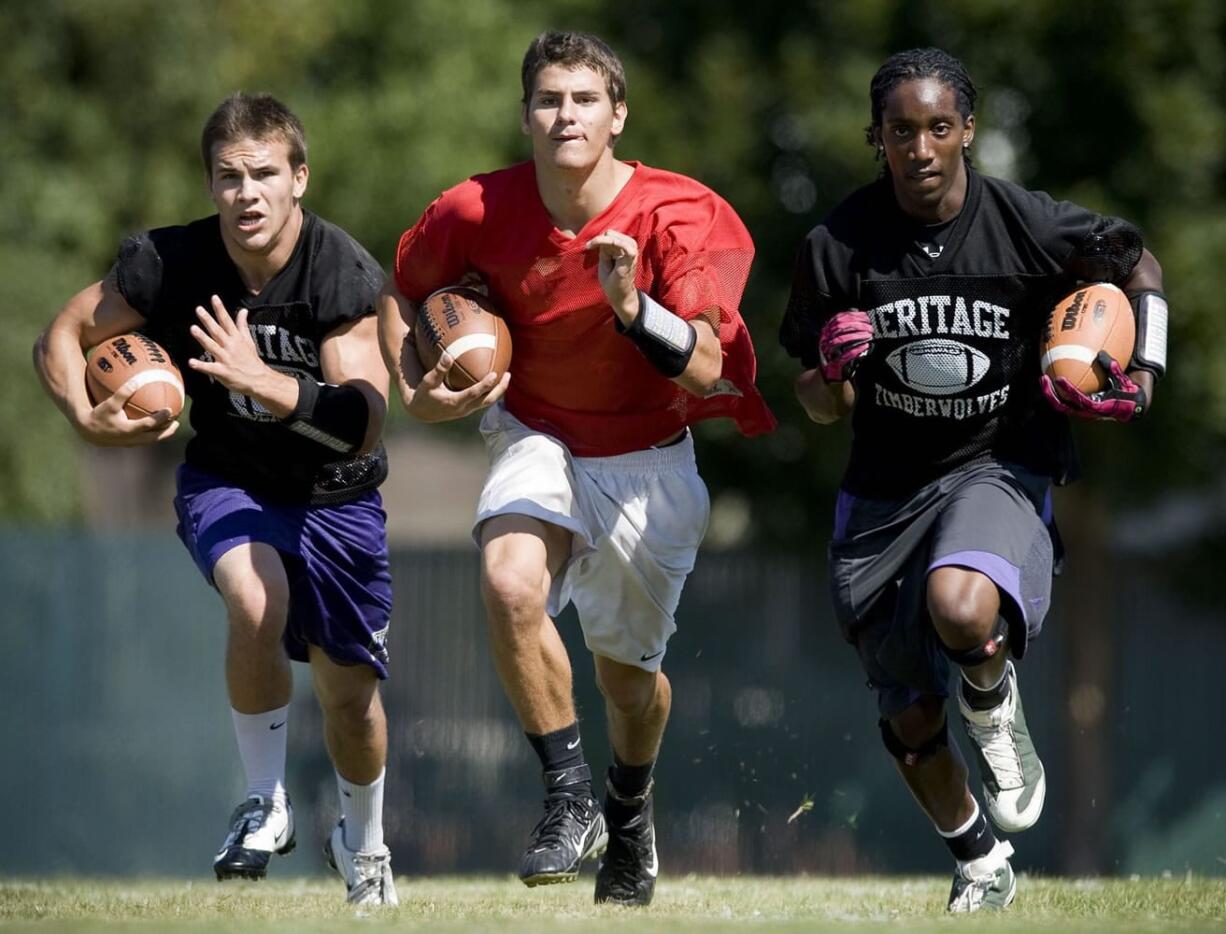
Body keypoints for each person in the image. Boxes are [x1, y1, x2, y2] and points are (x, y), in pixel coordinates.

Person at [379, 31, 774, 906]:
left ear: (617, 114)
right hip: (538, 434)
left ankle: (628, 813)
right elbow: (402, 289)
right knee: (509, 579)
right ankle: (567, 793)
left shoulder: (680, 212)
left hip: (649, 461)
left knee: (629, 683)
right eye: (550, 100)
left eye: (585, 100)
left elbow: (708, 366)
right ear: (526, 114)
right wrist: (415, 386)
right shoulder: (474, 209)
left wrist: (633, 307)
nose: (566, 116)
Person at [779, 48, 1166, 912]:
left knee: (963, 605)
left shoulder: (1027, 224)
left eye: (939, 128)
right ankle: (980, 858)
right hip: (884, 492)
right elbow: (815, 400)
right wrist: (831, 374)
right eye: (901, 131)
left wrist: (1142, 377)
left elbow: (1139, 266)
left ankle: (994, 707)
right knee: (910, 719)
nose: (921, 148)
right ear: (876, 138)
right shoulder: (835, 244)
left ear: (969, 132)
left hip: (1000, 463)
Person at [34, 93, 400, 907]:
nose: (248, 193)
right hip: (229, 480)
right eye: (230, 177)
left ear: (299, 177)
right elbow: (61, 333)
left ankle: (363, 841)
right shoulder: (169, 263)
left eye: (266, 173)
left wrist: (265, 382)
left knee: (349, 699)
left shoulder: (337, 269)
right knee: (253, 597)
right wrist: (85, 414)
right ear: (209, 185)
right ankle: (264, 800)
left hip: (334, 497)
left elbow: (365, 421)